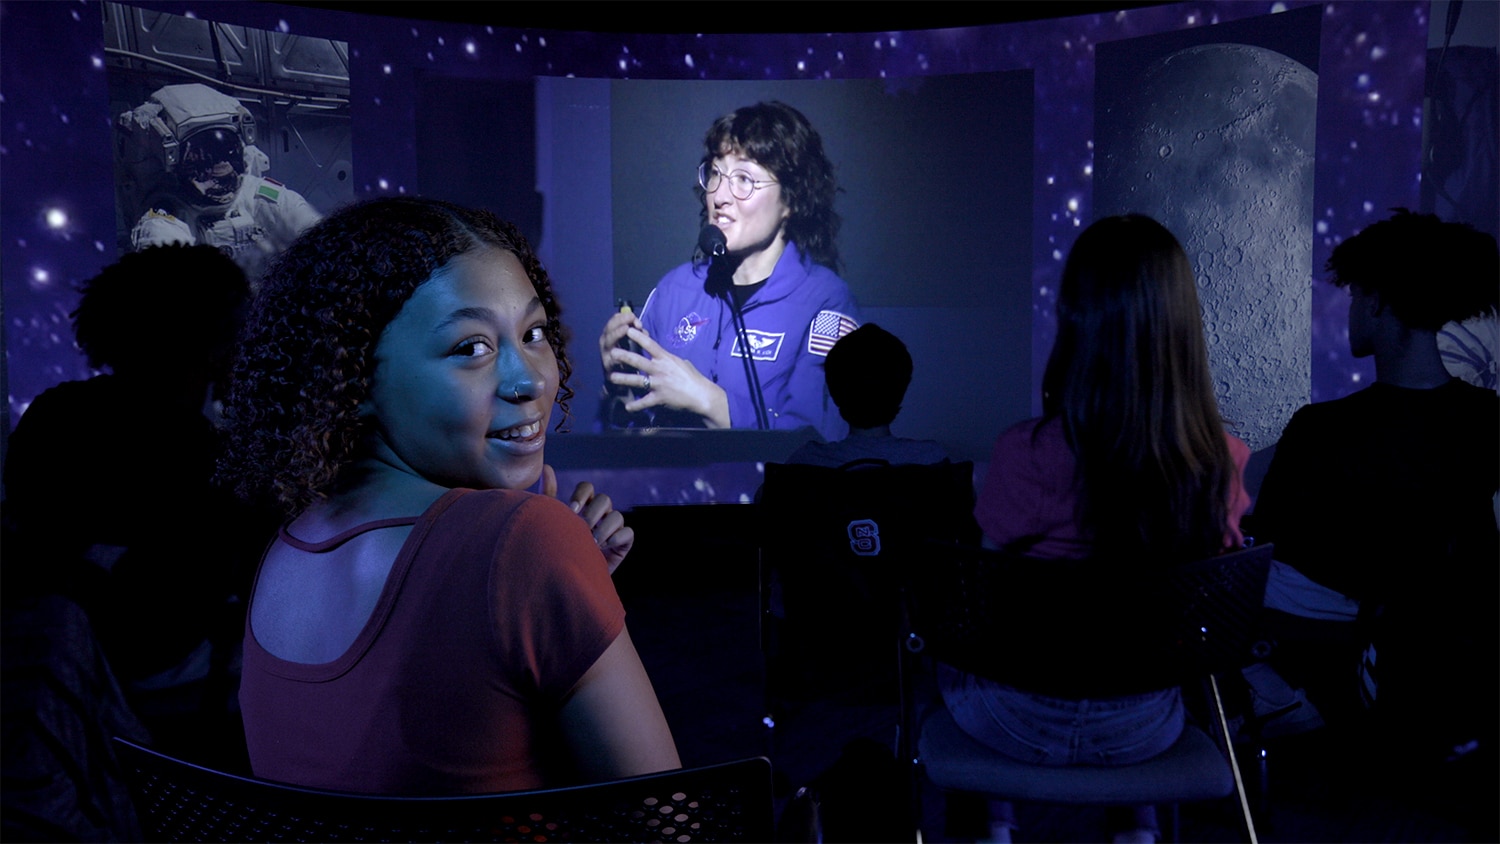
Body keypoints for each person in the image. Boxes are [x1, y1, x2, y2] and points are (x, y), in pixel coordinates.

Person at [219, 196, 679, 794]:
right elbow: (668, 824)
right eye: (472, 348)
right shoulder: (526, 540)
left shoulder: (286, 551)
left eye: (535, 333)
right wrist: (548, 575)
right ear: (352, 377)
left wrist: (563, 608)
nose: (531, 380)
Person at [941, 215, 1251, 843]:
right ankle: (1137, 828)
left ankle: (995, 824)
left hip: (1014, 720)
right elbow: (1207, 612)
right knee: (1134, 651)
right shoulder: (1220, 461)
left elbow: (983, 607)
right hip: (1142, 729)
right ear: (1181, 328)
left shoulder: (1022, 452)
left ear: (1076, 321)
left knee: (947, 655)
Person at [1251, 210, 1498, 762]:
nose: (1351, 311)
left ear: (1381, 303)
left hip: (1346, 641)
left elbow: (1272, 544)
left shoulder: (1323, 429)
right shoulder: (1488, 420)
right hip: (1445, 650)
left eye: (1357, 296)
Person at [2, 244, 260, 759]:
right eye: (241, 328)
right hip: (168, 726)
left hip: (54, 711)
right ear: (213, 343)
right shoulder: (205, 457)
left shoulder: (53, 416)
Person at [598, 101, 860, 440]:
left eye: (744, 179)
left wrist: (707, 401)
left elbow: (821, 440)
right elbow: (630, 432)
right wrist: (619, 384)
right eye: (716, 173)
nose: (720, 195)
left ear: (791, 200)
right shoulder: (673, 290)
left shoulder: (826, 302)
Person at [119, 83, 322, 282]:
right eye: (206, 169)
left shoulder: (263, 196)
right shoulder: (167, 216)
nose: (221, 170)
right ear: (180, 168)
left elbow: (321, 238)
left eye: (227, 160)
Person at [784, 322, 948, 467]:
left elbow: (766, 498)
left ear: (833, 390)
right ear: (902, 388)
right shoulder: (931, 459)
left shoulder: (808, 462)